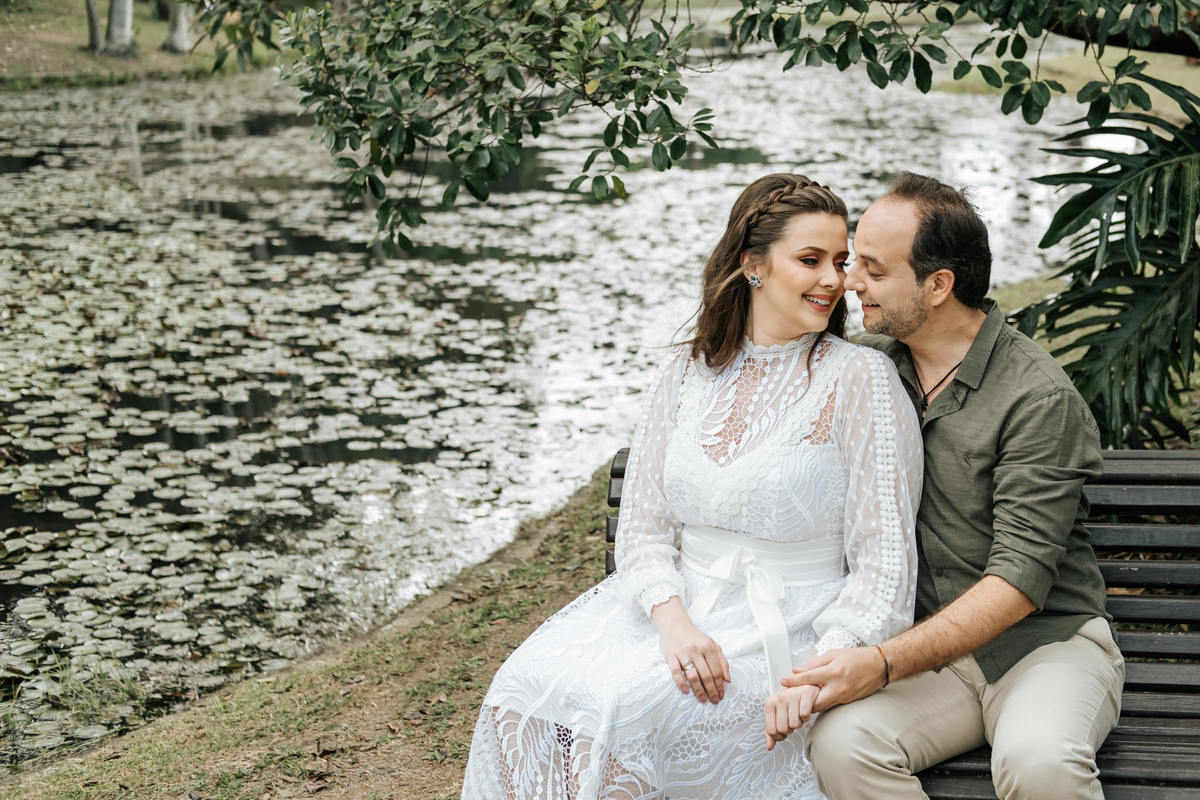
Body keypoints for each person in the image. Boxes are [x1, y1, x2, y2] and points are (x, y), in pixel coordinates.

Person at [460, 173, 924, 799]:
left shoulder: (860, 379)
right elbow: (645, 528)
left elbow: (884, 565)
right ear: (752, 265)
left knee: (628, 712)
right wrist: (673, 622)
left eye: (840, 262)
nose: (833, 280)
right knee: (525, 689)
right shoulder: (687, 369)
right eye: (810, 260)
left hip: (794, 630)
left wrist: (817, 676)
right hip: (675, 613)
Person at [765, 173, 1125, 800]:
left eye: (872, 270)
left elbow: (1018, 584)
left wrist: (880, 664)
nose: (850, 283)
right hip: (931, 658)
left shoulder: (1036, 398)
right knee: (843, 747)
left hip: (1044, 646)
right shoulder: (872, 366)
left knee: (1039, 762)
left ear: (937, 286)